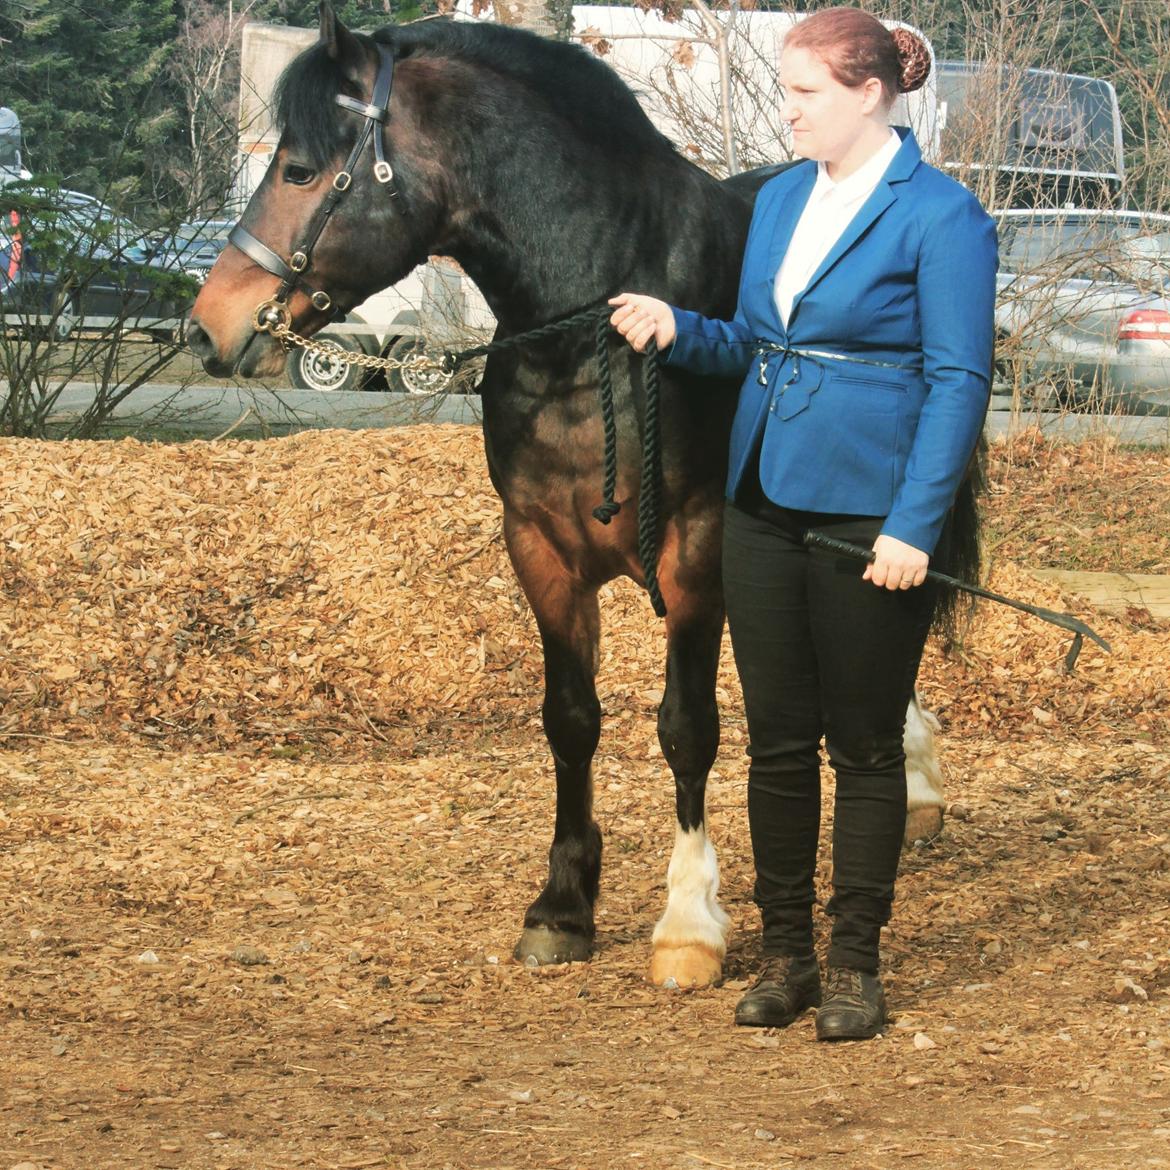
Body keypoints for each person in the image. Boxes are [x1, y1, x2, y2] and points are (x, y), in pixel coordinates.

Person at [609, 7, 997, 1040]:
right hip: (762, 504)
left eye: (804, 95)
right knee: (778, 743)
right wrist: (676, 327)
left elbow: (959, 382)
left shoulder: (943, 216)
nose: (787, 114)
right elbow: (754, 340)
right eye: (786, 94)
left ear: (870, 94)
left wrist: (916, 524)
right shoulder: (780, 202)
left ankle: (858, 963)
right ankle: (788, 958)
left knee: (864, 746)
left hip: (873, 514)